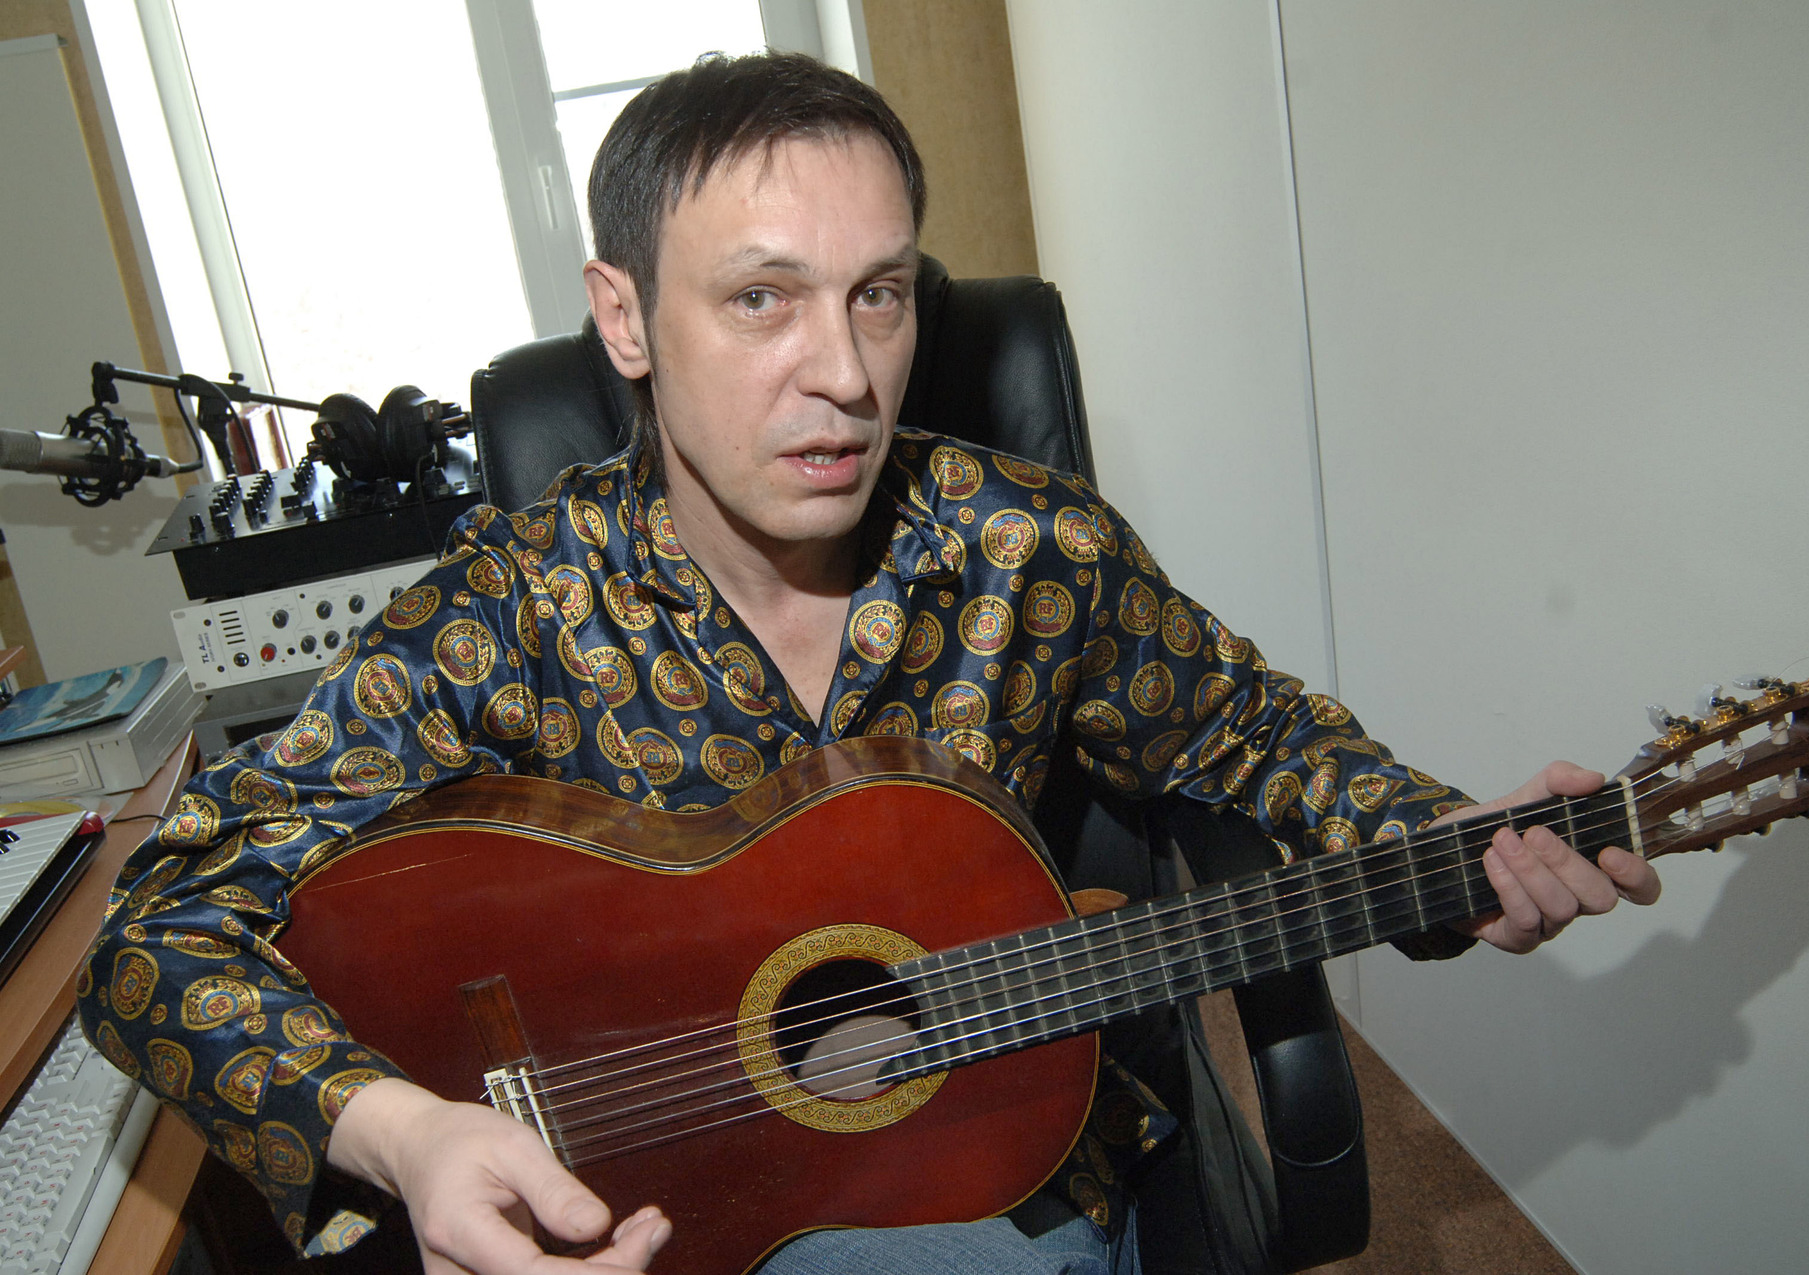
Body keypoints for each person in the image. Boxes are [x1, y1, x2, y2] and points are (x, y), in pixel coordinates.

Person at [79, 51, 1659, 1275]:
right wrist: (404, 1136)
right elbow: (157, 928)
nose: (843, 373)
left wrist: (1441, 841)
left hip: (983, 1143)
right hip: (643, 1197)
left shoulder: (1028, 549)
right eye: (760, 299)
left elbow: (1254, 736)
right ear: (623, 318)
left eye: (880, 296)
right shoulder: (515, 607)